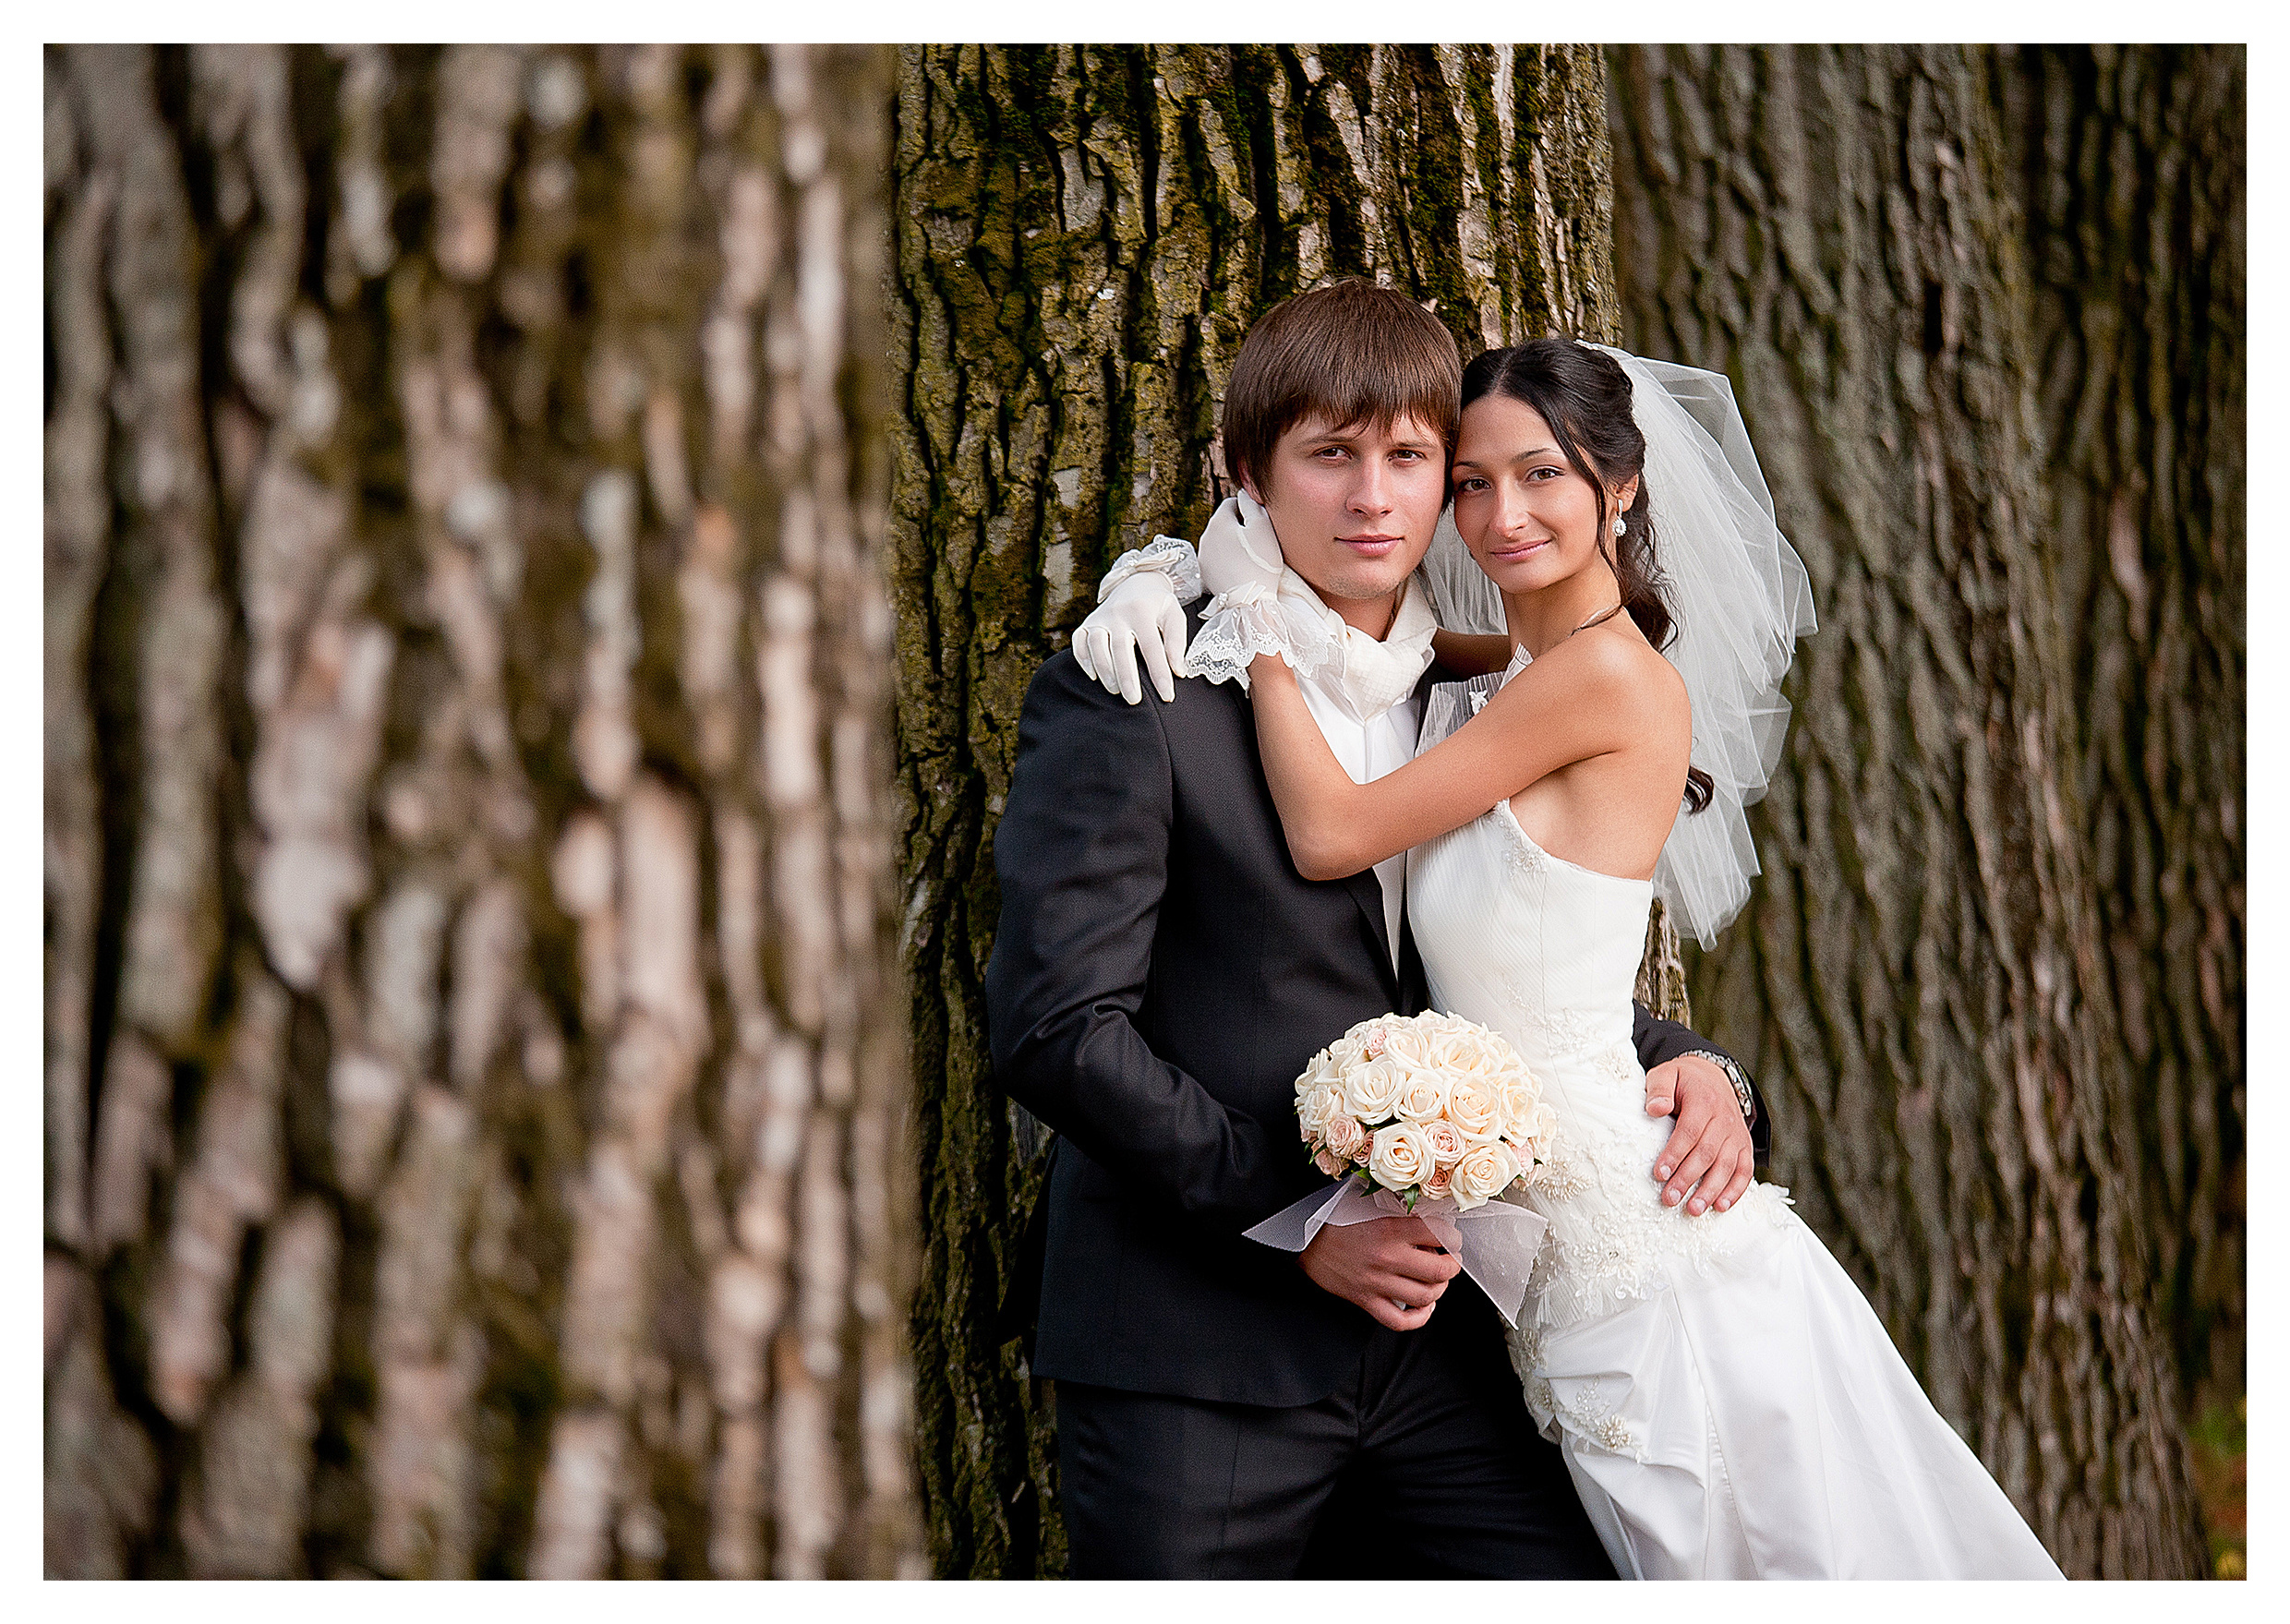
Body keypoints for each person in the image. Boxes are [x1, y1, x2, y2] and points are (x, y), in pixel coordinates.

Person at [1094, 334, 2063, 1578]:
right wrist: (1164, 579)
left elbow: (1333, 833)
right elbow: (1376, 654)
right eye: (1477, 482)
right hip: (1537, 1268)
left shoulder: (1597, 677)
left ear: (1621, 485)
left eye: (1543, 475)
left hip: (1631, 1254)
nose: (1502, 516)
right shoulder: (1514, 671)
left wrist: (1254, 625)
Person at [984, 281, 1764, 1580]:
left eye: (1411, 459)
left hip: (1449, 1352)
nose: (1373, 501)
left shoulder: (1468, 698)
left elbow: (1510, 944)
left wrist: (1693, 1063)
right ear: (1249, 472)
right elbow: (1056, 1030)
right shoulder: (1138, 683)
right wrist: (1303, 1219)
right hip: (1199, 1352)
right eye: (1330, 456)